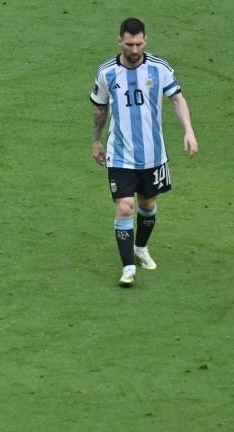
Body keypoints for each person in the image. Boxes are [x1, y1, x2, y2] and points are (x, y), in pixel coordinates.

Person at [90, 17, 198, 287]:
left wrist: (189, 131)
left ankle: (140, 248)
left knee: (148, 205)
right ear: (119, 41)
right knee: (125, 207)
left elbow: (177, 99)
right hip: (121, 154)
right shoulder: (107, 73)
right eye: (129, 44)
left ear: (145, 40)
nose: (134, 50)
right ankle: (128, 268)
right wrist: (96, 140)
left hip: (153, 154)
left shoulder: (159, 69)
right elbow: (100, 109)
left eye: (139, 44)